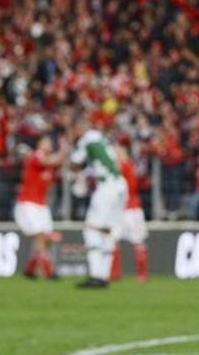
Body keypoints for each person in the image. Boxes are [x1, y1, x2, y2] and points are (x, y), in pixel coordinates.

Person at [69, 120, 128, 289]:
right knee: (107, 231)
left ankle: (96, 275)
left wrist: (75, 169)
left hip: (106, 187)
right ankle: (104, 275)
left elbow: (74, 163)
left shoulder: (87, 139)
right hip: (120, 185)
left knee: (91, 229)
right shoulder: (103, 139)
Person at [14, 137, 63, 280]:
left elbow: (53, 174)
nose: (49, 144)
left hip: (41, 205)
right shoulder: (35, 156)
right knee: (41, 235)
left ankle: (30, 268)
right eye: (46, 142)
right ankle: (49, 271)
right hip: (28, 203)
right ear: (39, 145)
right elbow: (51, 161)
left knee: (47, 238)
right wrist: (63, 150)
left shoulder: (48, 166)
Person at [111, 143, 149, 283]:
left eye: (116, 151)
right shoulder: (130, 166)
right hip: (128, 209)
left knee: (120, 241)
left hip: (128, 209)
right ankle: (139, 274)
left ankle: (117, 274)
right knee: (132, 242)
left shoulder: (122, 166)